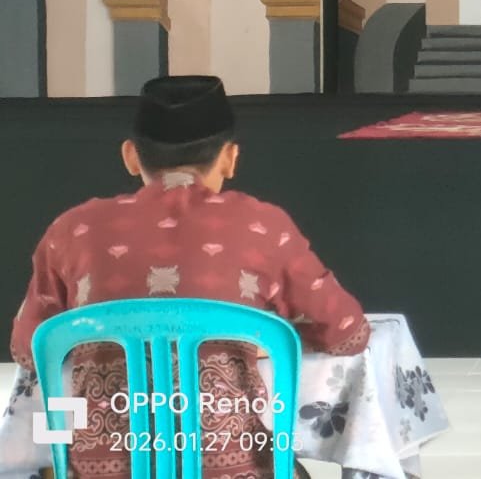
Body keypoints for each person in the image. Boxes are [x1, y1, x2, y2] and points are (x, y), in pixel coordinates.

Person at [10, 76, 369, 479]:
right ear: (230, 158)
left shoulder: (71, 230)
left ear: (131, 157)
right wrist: (259, 339)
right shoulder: (265, 227)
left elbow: (28, 349)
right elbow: (348, 331)